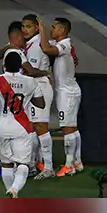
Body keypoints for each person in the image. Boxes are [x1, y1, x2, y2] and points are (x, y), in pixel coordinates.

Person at [0, 51, 44, 198]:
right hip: (21, 127)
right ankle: (14, 190)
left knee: (6, 164)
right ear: (20, 66)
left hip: (2, 127)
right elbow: (41, 104)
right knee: (23, 164)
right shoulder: (31, 82)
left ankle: (11, 194)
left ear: (4, 65)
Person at [38, 17, 84, 176]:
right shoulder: (64, 44)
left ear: (62, 30)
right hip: (70, 90)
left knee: (67, 129)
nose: (51, 29)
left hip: (67, 93)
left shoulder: (64, 45)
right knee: (73, 127)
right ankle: (77, 161)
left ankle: (69, 165)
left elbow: (45, 49)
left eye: (54, 27)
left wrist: (41, 29)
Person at [0, 21, 27, 175]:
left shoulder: (10, 49)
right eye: (23, 37)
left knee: (5, 132)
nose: (25, 41)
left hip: (7, 95)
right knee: (8, 132)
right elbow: (28, 70)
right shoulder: (15, 52)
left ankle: (1, 164)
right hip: (11, 95)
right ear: (17, 37)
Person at [20, 13, 55, 179]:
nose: (25, 30)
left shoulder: (35, 46)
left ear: (36, 27)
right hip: (35, 87)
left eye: (29, 26)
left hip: (39, 87)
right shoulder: (33, 43)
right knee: (32, 128)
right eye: (23, 26)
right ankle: (33, 165)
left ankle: (48, 168)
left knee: (41, 127)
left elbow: (31, 71)